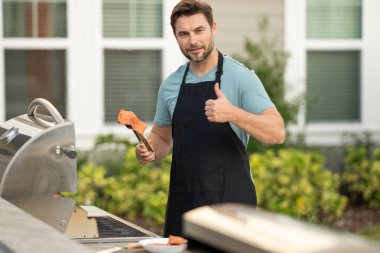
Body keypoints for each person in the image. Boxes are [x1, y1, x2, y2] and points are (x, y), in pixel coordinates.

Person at [135, 0, 285, 237]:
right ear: (175, 36)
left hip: (232, 208)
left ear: (213, 28)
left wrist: (233, 113)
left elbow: (277, 132)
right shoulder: (171, 85)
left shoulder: (240, 77)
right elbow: (162, 138)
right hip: (184, 206)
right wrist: (148, 149)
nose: (192, 40)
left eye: (199, 30)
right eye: (183, 33)